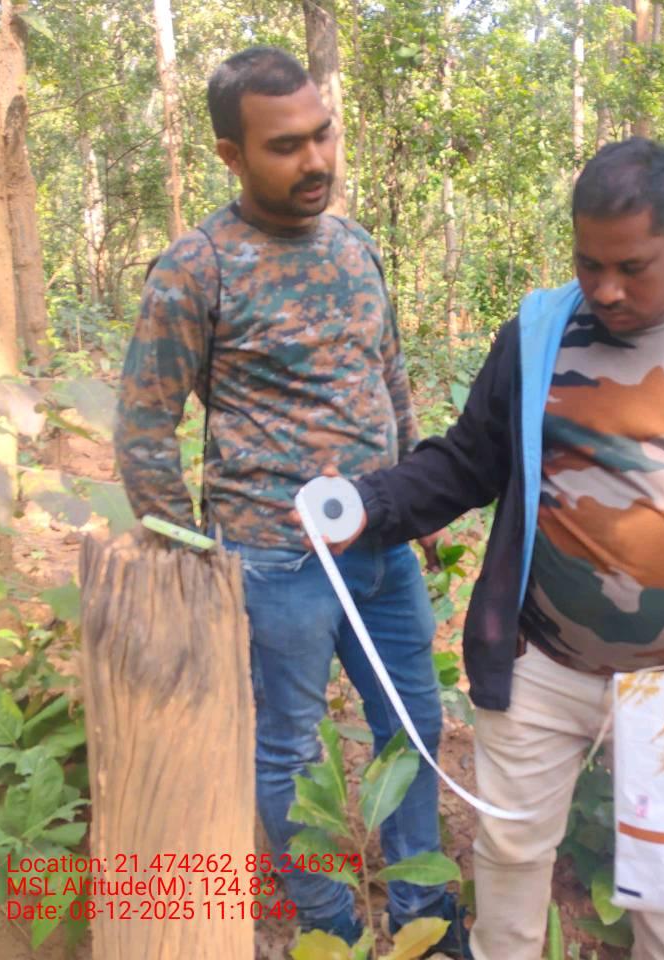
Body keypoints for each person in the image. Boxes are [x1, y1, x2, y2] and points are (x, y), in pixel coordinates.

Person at [332, 137, 664, 960]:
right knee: (510, 852)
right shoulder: (540, 333)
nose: (606, 290)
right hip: (543, 662)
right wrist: (371, 504)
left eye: (632, 267)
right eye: (589, 264)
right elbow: (470, 459)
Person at [113, 46, 469, 957]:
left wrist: (414, 501)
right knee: (291, 752)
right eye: (285, 146)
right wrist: (194, 559)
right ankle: (329, 925)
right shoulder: (197, 268)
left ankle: (426, 918)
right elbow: (145, 426)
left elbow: (389, 378)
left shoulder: (355, 246)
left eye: (322, 135)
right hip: (275, 563)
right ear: (231, 155)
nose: (315, 160)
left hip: (380, 545)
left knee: (413, 725)